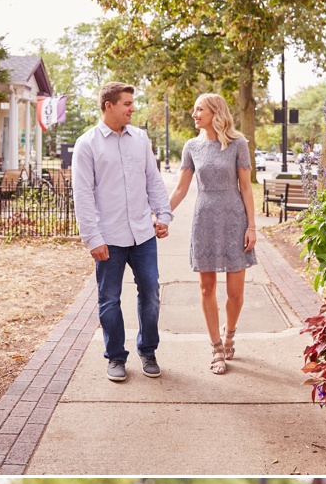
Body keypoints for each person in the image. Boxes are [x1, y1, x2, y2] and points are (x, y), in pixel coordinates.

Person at [72, 82, 173, 383]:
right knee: (109, 299)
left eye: (132, 103)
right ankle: (115, 357)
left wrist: (163, 214)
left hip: (142, 233)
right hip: (108, 238)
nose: (132, 108)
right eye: (127, 103)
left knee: (151, 294)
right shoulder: (87, 144)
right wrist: (92, 237)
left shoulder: (140, 138)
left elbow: (152, 180)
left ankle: (148, 350)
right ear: (109, 106)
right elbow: (83, 194)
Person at [168, 94, 257, 375]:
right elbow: (181, 189)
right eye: (194, 109)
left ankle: (230, 332)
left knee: (236, 293)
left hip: (234, 219)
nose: (194, 114)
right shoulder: (191, 146)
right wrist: (162, 214)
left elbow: (246, 188)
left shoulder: (237, 144)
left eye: (199, 109)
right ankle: (217, 347)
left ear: (215, 112)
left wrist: (251, 226)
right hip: (204, 218)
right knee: (206, 288)